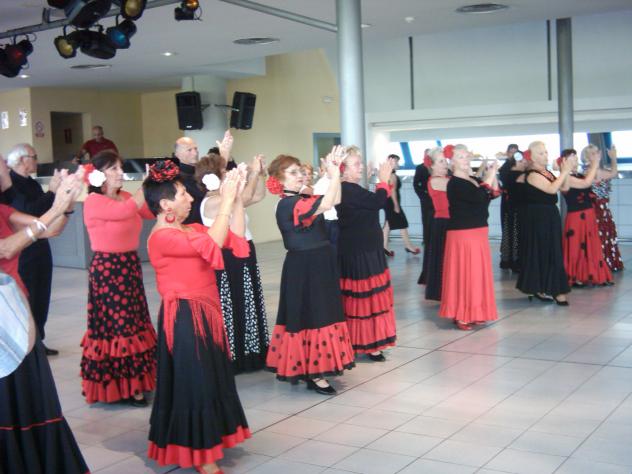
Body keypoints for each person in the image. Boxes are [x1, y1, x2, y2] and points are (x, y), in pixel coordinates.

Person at [144, 160, 251, 474]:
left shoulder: (190, 229)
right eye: (182, 194)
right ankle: (201, 454)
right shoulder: (162, 237)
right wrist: (225, 201)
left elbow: (235, 236)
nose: (190, 198)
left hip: (206, 313)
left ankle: (210, 441)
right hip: (185, 317)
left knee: (211, 378)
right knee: (196, 383)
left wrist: (237, 198)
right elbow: (212, 243)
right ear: (166, 204)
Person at [0, 165, 90, 474]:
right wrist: (55, 207)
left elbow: (50, 230)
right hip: (3, 322)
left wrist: (67, 202)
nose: (5, 166)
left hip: (16, 312)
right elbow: (5, 248)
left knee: (31, 394)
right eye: (1, 162)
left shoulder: (4, 210)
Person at [265, 148, 355, 394]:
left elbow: (334, 200)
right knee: (312, 315)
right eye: (293, 173)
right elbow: (327, 202)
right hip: (305, 265)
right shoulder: (288, 204)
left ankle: (314, 368)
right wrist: (334, 172)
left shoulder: (301, 199)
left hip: (318, 262)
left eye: (299, 171)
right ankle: (315, 372)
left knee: (319, 313)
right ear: (279, 180)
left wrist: (335, 175)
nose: (300, 176)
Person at [81, 150, 156, 406]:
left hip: (129, 266)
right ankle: (129, 387)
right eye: (113, 168)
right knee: (120, 325)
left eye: (120, 167)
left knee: (134, 321)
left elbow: (147, 211)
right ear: (99, 174)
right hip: (108, 270)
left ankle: (139, 380)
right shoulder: (94, 201)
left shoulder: (124, 196)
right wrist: (146, 184)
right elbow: (126, 211)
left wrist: (160, 188)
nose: (120, 172)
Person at [195, 152, 270, 373]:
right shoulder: (212, 202)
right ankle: (234, 355)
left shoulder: (227, 198)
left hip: (244, 252)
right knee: (232, 303)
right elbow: (244, 197)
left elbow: (258, 195)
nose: (228, 174)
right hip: (228, 256)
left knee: (247, 301)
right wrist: (251, 174)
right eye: (224, 172)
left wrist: (259, 173)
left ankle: (251, 352)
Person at [337, 147, 397, 361]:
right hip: (359, 251)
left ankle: (365, 341)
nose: (360, 167)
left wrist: (381, 182)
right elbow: (377, 201)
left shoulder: (351, 188)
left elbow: (374, 201)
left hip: (364, 249)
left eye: (360, 163)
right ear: (343, 169)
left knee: (365, 299)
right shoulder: (347, 189)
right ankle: (368, 343)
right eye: (356, 164)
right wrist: (383, 180)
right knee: (365, 299)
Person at [4, 144, 61, 356]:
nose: (37, 160)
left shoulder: (32, 183)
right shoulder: (12, 185)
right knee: (29, 296)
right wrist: (52, 192)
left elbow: (44, 214)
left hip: (40, 246)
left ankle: (39, 340)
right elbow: (29, 212)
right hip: (24, 250)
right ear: (21, 160)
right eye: (34, 156)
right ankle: (29, 343)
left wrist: (60, 197)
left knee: (42, 295)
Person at [439, 145, 500, 330]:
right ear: (452, 162)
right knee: (466, 274)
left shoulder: (473, 180)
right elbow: (480, 196)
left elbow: (493, 193)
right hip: (463, 233)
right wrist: (490, 176)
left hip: (479, 231)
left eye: (466, 156)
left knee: (476, 275)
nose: (465, 159)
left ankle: (475, 312)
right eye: (460, 157)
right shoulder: (455, 183)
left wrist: (492, 174)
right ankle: (462, 314)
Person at [517, 141, 574, 305]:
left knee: (553, 250)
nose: (545, 156)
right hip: (538, 217)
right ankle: (548, 289)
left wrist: (564, 173)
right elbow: (551, 189)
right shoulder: (533, 174)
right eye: (541, 153)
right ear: (533, 157)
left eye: (546, 152)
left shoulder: (546, 172)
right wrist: (564, 172)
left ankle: (552, 288)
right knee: (543, 251)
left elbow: (564, 188)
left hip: (550, 215)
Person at [561, 148, 613, 287]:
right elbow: (586, 184)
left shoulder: (579, 174)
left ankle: (594, 274)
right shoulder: (566, 177)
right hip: (576, 217)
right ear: (565, 161)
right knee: (577, 247)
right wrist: (595, 163)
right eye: (572, 158)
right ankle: (576, 276)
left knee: (592, 245)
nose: (575, 161)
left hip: (588, 213)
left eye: (576, 158)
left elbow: (592, 181)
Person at [582, 144, 623, 271]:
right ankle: (599, 263)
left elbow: (613, 173)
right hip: (594, 208)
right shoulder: (588, 172)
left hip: (604, 209)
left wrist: (613, 158)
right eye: (593, 153)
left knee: (606, 233)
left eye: (597, 152)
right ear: (587, 158)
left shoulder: (599, 170)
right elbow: (604, 176)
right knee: (598, 234)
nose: (597, 155)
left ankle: (607, 261)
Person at [423, 147, 450, 301]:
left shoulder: (448, 179)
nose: (445, 164)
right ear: (432, 165)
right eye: (441, 161)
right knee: (443, 260)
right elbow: (461, 185)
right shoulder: (435, 180)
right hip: (443, 223)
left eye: (445, 160)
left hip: (450, 222)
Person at [383, 154, 421, 256]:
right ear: (390, 162)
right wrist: (396, 205)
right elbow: (393, 191)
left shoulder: (388, 174)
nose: (398, 164)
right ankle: (409, 246)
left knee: (387, 224)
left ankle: (384, 246)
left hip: (388, 202)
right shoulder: (392, 175)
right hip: (392, 202)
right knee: (403, 224)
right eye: (396, 162)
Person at [498, 144, 527, 271]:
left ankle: (508, 260)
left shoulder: (506, 170)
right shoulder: (519, 174)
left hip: (508, 205)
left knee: (509, 231)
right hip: (515, 207)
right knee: (516, 232)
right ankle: (516, 261)